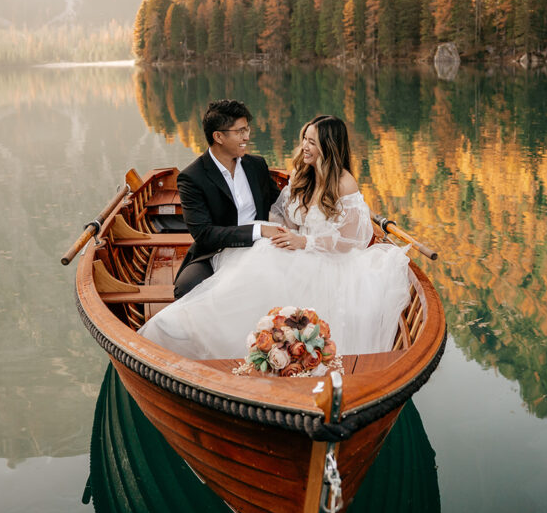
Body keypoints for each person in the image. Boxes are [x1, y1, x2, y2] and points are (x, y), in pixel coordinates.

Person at [137, 115, 411, 360]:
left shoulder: (343, 183)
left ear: (329, 146)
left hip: (329, 261)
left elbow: (354, 240)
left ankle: (251, 341)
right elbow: (280, 212)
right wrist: (282, 233)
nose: (304, 146)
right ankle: (193, 329)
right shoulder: (303, 176)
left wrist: (303, 242)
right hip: (289, 249)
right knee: (261, 260)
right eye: (304, 138)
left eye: (312, 142)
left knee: (264, 265)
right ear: (219, 137)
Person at [169, 99, 283, 299]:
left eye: (247, 129)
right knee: (188, 289)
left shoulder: (256, 165)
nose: (246, 137)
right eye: (240, 131)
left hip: (263, 248)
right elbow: (204, 234)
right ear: (218, 136)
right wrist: (260, 230)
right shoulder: (192, 177)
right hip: (214, 252)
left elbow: (280, 203)